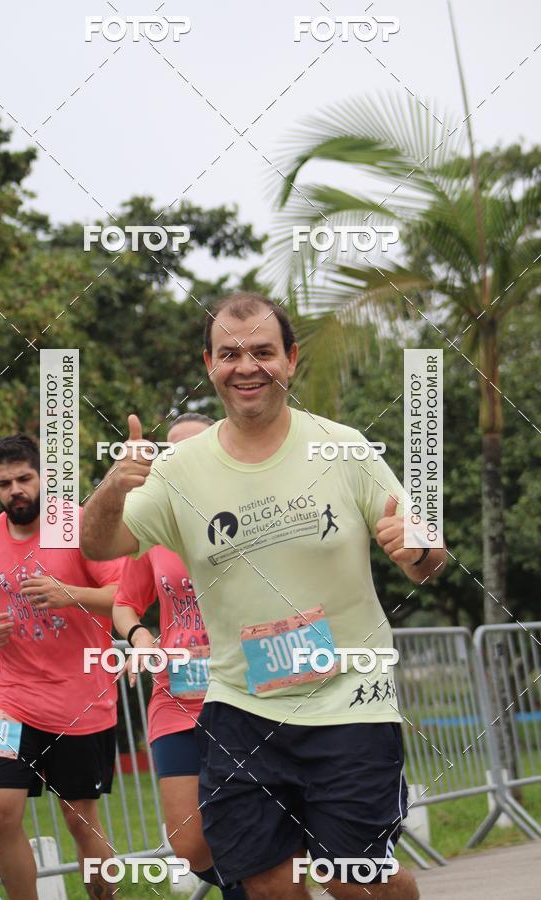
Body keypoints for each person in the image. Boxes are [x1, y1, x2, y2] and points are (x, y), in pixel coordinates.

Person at [81, 292, 447, 900]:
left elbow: (426, 561)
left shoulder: (344, 446)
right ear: (209, 365)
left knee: (352, 877)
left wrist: (419, 549)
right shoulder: (178, 470)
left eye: (263, 351)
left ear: (291, 360)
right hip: (241, 708)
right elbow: (100, 545)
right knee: (266, 881)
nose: (246, 365)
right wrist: (113, 486)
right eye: (229, 353)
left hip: (350, 702)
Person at [0, 434, 123, 900]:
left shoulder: (80, 527)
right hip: (8, 700)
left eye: (24, 478)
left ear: (43, 478)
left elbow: (124, 596)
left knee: (80, 819)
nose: (16, 490)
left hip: (81, 700)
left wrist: (70, 594)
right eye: (5, 483)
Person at [113, 412, 245, 899]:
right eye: (171, 451)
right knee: (190, 842)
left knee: (249, 823)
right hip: (178, 694)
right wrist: (141, 637)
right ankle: (262, 885)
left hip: (247, 691)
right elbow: (126, 602)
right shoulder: (154, 527)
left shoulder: (253, 511)